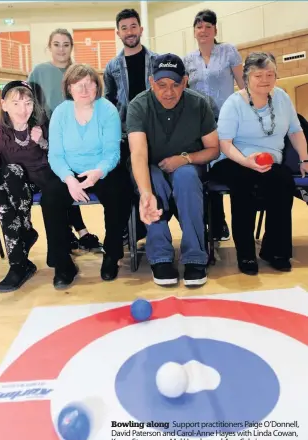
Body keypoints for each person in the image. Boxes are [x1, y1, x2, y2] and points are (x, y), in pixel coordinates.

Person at [210, 52, 308, 275]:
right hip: (234, 159)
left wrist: (304, 159)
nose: (265, 79)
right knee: (244, 183)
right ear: (246, 78)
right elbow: (224, 143)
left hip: (270, 163)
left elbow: (295, 131)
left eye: (270, 74)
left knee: (283, 180)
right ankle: (246, 255)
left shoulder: (282, 98)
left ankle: (275, 251)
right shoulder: (234, 103)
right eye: (258, 75)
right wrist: (246, 161)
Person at [127, 53, 219, 287]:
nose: (169, 92)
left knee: (187, 177)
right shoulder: (138, 105)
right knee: (152, 180)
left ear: (185, 81)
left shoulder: (199, 104)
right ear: (151, 83)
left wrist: (185, 159)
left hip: (186, 167)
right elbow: (137, 154)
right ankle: (160, 257)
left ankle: (195, 257)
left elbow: (213, 149)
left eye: (176, 85)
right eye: (162, 85)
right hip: (150, 166)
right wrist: (146, 194)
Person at [45, 63, 131, 288]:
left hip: (102, 169)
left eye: (89, 84)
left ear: (97, 86)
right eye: (78, 84)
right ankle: (63, 265)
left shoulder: (107, 110)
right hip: (69, 171)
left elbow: (112, 152)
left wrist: (98, 173)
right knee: (51, 197)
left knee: (119, 191)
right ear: (69, 88)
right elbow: (55, 155)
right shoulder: (61, 112)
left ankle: (112, 255)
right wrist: (69, 179)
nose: (84, 89)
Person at [0, 81, 51, 292]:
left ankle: (18, 262)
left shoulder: (41, 124)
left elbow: (56, 158)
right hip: (13, 185)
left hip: (40, 183)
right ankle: (20, 257)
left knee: (10, 175)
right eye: (16, 104)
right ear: (4, 105)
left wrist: (42, 142)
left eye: (28, 103)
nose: (23, 110)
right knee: (7, 177)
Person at [28, 28, 102, 254]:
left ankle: (78, 232)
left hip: (77, 139)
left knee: (72, 181)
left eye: (66, 44)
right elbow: (27, 99)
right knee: (59, 184)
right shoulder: (39, 71)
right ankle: (77, 233)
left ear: (72, 47)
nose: (61, 49)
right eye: (57, 44)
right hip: (48, 139)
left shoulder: (79, 72)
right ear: (49, 47)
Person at [184, 9, 245, 242]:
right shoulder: (188, 60)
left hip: (228, 122)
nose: (203, 30)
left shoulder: (228, 51)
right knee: (205, 172)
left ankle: (234, 221)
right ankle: (216, 223)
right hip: (202, 124)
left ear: (215, 30)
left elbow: (242, 85)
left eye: (208, 26)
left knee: (227, 170)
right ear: (194, 31)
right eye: (199, 26)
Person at [103, 8, 157, 243]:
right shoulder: (111, 67)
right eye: (124, 28)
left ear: (141, 29)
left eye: (133, 26)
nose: (129, 31)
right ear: (118, 33)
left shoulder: (156, 61)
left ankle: (152, 226)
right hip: (126, 133)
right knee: (125, 179)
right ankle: (131, 227)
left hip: (154, 131)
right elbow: (109, 101)